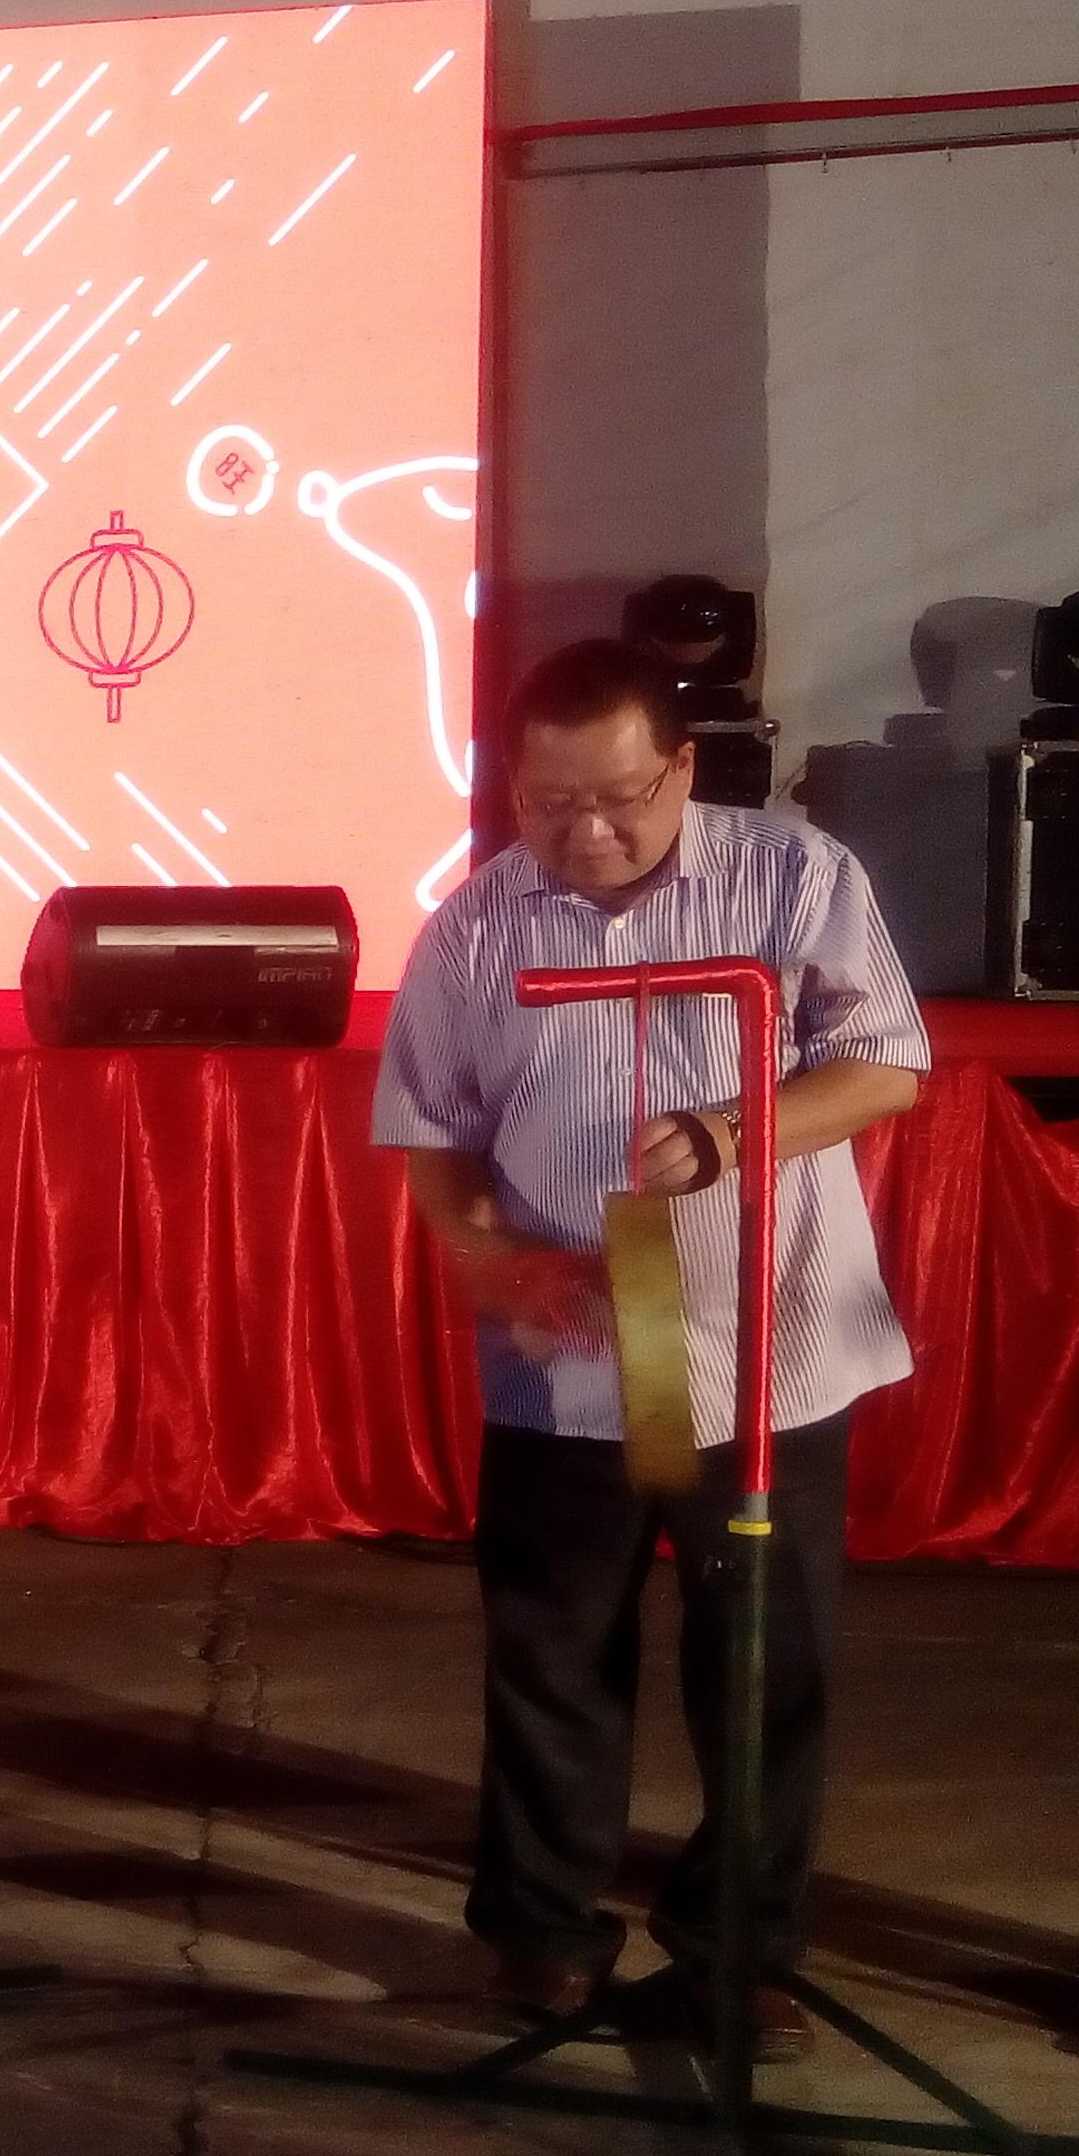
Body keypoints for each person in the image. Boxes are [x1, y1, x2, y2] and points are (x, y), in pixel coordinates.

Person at [376, 637, 928, 2062]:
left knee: (760, 1656)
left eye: (622, 796)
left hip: (761, 1322)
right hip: (589, 1316)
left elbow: (888, 1062)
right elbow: (431, 1129)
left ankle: (741, 1946)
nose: (591, 832)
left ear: (684, 768)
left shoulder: (794, 879)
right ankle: (547, 1934)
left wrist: (736, 1136)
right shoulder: (478, 926)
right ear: (510, 787)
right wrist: (481, 1254)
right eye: (551, 805)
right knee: (557, 1648)